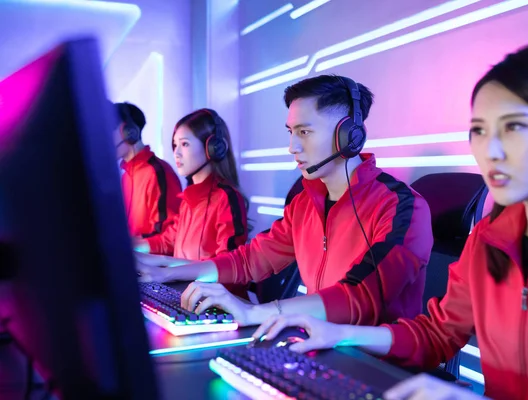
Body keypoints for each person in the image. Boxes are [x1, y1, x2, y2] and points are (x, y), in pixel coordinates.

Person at [252, 45, 528, 400]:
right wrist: (339, 334)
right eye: (479, 130)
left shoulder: (401, 206)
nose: (490, 150)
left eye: (514, 127)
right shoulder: (488, 238)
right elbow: (437, 333)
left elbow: (363, 295)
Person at [136, 75, 433, 328]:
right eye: (291, 132)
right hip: (321, 348)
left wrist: (256, 312)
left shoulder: (402, 207)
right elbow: (249, 260)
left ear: (348, 136)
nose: (292, 147)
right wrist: (169, 273)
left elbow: (360, 295)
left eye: (304, 132)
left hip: (382, 372)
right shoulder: (304, 204)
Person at [134, 108, 250, 263]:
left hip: (204, 288)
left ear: (213, 148)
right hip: (183, 286)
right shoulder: (188, 200)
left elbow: (228, 265)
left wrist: (172, 269)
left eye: (185, 144)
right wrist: (130, 247)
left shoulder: (226, 199)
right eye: (175, 145)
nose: (176, 153)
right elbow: (166, 241)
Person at [114, 102, 182, 238]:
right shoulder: (125, 177)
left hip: (151, 259)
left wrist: (133, 247)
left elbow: (167, 236)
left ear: (128, 132)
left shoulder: (157, 173)